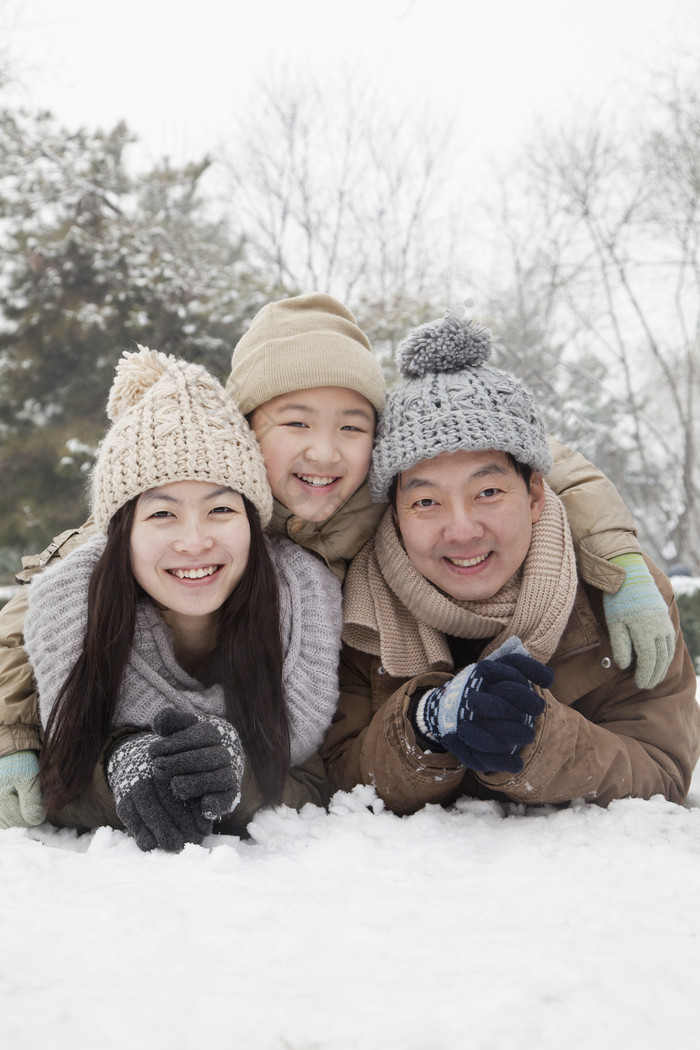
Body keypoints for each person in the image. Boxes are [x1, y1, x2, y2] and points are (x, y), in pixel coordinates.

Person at [0, 295, 677, 829]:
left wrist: (614, 554)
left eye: (351, 428)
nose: (325, 455)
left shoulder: (370, 518)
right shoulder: (198, 497)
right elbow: (49, 593)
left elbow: (543, 464)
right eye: (295, 423)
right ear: (244, 431)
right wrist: (14, 737)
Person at [321, 313, 700, 813]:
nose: (461, 530)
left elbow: (663, 770)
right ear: (394, 513)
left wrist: (536, 739)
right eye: (426, 502)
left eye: (489, 492)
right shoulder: (354, 608)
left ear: (535, 494)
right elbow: (334, 776)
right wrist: (424, 725)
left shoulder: (622, 592)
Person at [1, 347, 342, 850]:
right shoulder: (69, 614)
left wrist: (232, 774)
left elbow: (316, 773)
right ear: (122, 534)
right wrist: (122, 762)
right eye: (162, 514)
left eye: (221, 509)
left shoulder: (304, 605)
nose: (194, 541)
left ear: (253, 524)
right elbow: (56, 773)